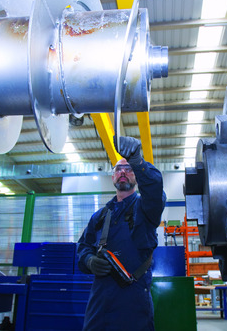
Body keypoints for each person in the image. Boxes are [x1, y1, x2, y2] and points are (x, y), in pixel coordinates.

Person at [77, 136, 166, 331]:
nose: (124, 172)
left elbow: (154, 189)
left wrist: (138, 161)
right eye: (119, 169)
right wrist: (89, 261)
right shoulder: (100, 216)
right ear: (113, 177)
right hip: (99, 304)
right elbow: (82, 247)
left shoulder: (146, 209)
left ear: (136, 177)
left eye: (129, 169)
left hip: (133, 303)